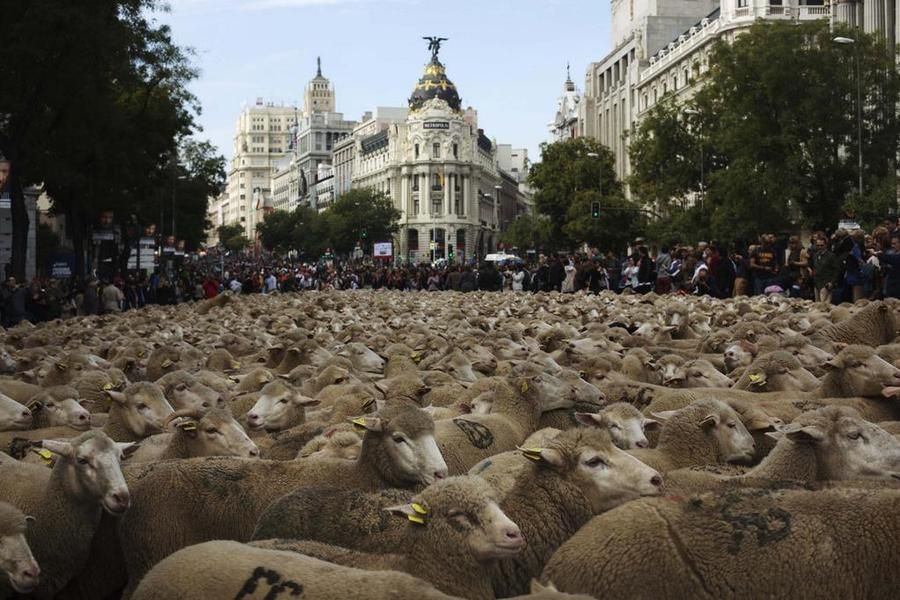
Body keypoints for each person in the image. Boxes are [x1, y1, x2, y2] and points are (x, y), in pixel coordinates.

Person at [812, 235, 839, 304]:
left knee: (824, 306)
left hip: (826, 284)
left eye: (822, 245)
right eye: (818, 245)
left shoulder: (831, 256)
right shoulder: (815, 255)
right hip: (816, 283)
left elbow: (836, 270)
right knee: (816, 305)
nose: (819, 247)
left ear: (826, 245)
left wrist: (832, 282)